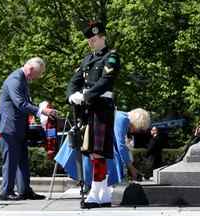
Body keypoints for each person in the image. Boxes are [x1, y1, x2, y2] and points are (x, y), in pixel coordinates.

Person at [66, 21, 120, 208]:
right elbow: (75, 80)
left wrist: (86, 94)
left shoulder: (111, 57)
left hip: (102, 107)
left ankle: (98, 191)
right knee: (90, 150)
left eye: (94, 39)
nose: (91, 42)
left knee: (98, 151)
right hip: (88, 109)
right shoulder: (87, 59)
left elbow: (106, 80)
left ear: (103, 37)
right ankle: (101, 192)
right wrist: (72, 95)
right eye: (89, 40)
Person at [0, 57, 57, 201]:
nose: (37, 78)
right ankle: (6, 192)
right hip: (9, 127)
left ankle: (24, 190)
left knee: (22, 159)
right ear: (30, 69)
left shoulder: (23, 79)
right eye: (37, 74)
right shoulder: (15, 79)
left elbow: (25, 104)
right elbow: (21, 104)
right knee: (10, 160)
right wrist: (41, 111)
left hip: (19, 127)